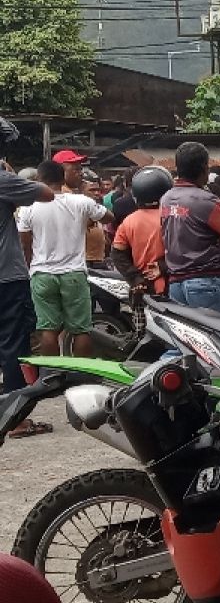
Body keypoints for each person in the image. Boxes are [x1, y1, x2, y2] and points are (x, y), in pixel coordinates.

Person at [17, 160, 111, 357]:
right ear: (62, 178)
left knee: (47, 330)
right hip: (74, 274)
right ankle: (80, 377)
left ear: (39, 180)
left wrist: (29, 267)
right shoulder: (80, 202)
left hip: (42, 274)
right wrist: (89, 216)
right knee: (81, 330)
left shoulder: (28, 207)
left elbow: (24, 244)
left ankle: (52, 377)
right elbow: (109, 217)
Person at [160, 142, 220, 320]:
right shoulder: (206, 201)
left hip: (176, 284)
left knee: (191, 346)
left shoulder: (167, 199)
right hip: (207, 282)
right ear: (204, 168)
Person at [0, 160, 54, 438]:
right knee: (13, 347)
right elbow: (47, 193)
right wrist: (9, 175)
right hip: (6, 277)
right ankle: (16, 421)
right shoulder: (3, 181)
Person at [110, 166, 173, 296]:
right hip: (170, 285)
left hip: (142, 288)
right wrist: (162, 267)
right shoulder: (173, 217)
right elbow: (185, 251)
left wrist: (136, 278)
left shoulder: (129, 221)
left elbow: (118, 255)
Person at [82, 179, 109, 268]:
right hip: (85, 261)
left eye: (98, 190)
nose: (97, 193)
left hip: (100, 259)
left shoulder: (99, 210)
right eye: (92, 190)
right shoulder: (77, 211)